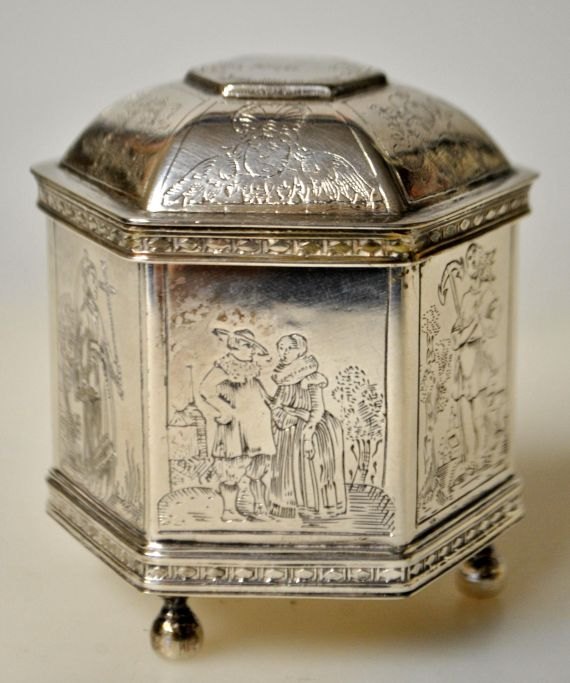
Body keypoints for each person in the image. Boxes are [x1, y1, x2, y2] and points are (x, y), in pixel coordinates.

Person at [268, 334, 346, 520]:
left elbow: (317, 409)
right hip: (288, 429)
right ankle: (289, 507)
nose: (284, 352)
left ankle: (312, 510)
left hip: (309, 428)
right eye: (281, 348)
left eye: (289, 348)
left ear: (300, 351)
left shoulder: (310, 376)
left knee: (307, 471)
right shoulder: (283, 376)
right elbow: (278, 402)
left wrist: (308, 437)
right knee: (288, 472)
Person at [200, 328, 275, 522]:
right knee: (231, 469)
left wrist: (272, 404)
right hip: (235, 426)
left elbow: (259, 393)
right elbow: (206, 389)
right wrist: (224, 410)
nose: (252, 351)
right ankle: (229, 510)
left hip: (256, 426)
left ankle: (260, 507)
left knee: (258, 469)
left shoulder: (250, 369)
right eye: (248, 346)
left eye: (253, 347)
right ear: (235, 346)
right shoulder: (224, 367)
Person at [451, 243, 500, 470]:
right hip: (463, 360)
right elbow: (456, 329)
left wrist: (476, 325)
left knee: (479, 412)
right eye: (469, 260)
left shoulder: (490, 297)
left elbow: (491, 329)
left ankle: (483, 452)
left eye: (474, 260)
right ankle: (469, 457)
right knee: (464, 413)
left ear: (482, 265)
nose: (470, 264)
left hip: (478, 359)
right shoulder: (467, 298)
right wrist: (460, 335)